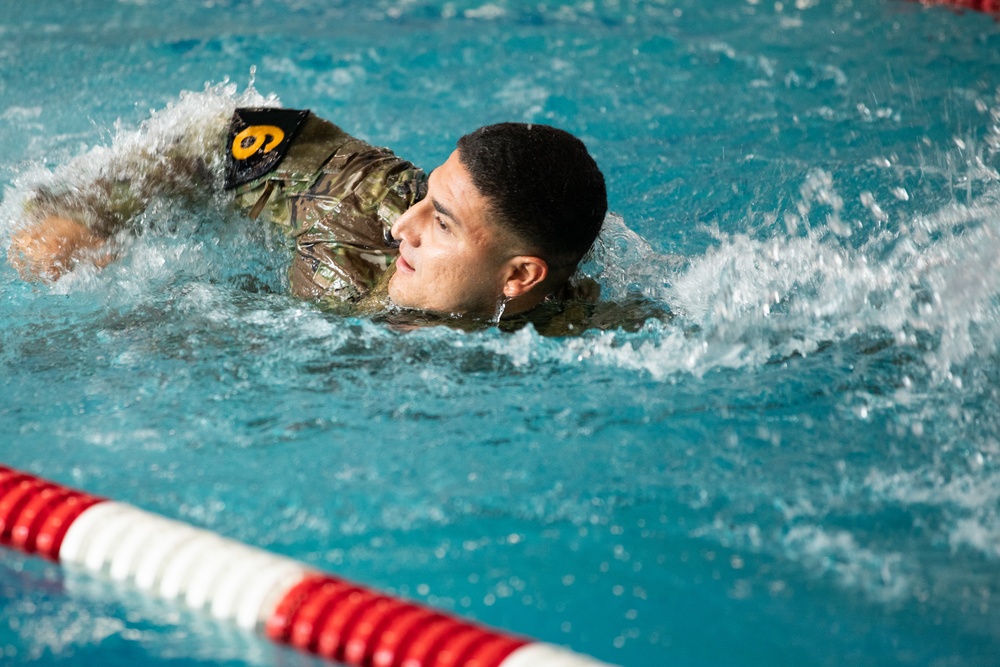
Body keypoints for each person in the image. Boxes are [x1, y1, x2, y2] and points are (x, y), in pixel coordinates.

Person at [6, 106, 608, 330]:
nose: (405, 225)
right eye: (426, 195)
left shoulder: (583, 332)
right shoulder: (356, 203)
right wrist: (75, 214)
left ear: (520, 277)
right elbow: (219, 130)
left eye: (442, 223)